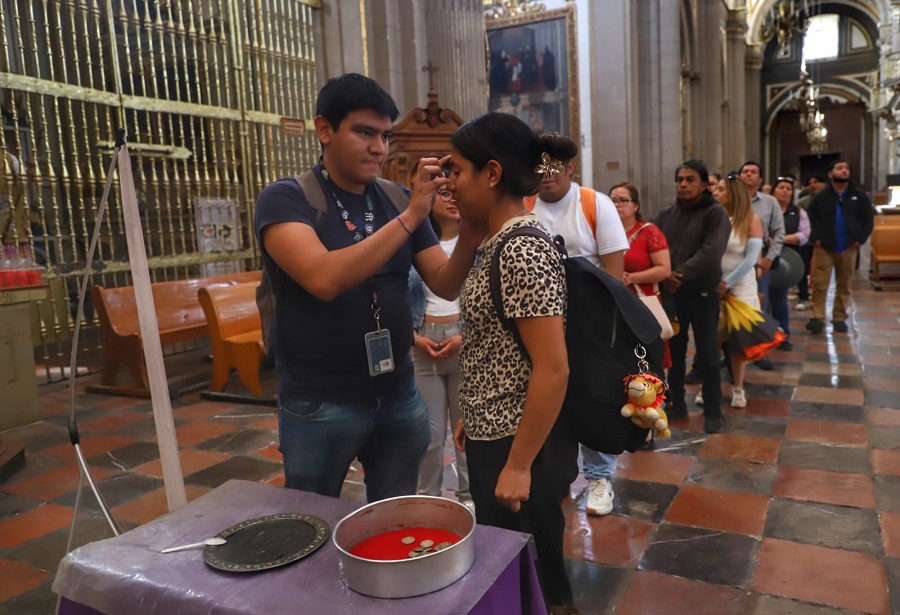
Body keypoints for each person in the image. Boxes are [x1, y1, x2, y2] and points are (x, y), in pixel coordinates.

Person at [254, 73, 481, 502]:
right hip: (320, 404)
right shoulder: (287, 199)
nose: (379, 148)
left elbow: (445, 283)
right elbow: (323, 279)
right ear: (324, 129)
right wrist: (415, 215)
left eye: (384, 135)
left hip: (398, 393)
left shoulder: (394, 198)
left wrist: (470, 226)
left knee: (394, 518)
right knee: (311, 521)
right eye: (364, 133)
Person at [448, 112, 579, 614]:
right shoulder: (494, 242)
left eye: (458, 170)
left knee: (533, 567)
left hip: (523, 442)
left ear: (493, 173)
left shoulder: (521, 247)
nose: (451, 183)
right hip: (496, 429)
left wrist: (519, 464)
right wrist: (474, 411)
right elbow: (496, 345)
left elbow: (552, 368)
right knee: (508, 562)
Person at [524, 134, 628, 517]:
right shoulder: (525, 206)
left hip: (588, 324)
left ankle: (600, 477)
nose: (546, 174)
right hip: (539, 324)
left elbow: (615, 276)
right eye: (539, 165)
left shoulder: (594, 204)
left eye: (555, 165)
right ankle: (558, 475)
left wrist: (604, 332)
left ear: (570, 167)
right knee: (548, 399)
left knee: (591, 399)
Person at [655, 160, 731, 433]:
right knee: (673, 355)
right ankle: (675, 403)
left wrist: (677, 274)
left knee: (708, 354)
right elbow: (655, 245)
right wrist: (665, 275)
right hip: (672, 295)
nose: (683, 185)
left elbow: (711, 253)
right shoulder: (666, 214)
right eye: (679, 180)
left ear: (703, 184)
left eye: (689, 180)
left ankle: (713, 409)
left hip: (702, 293)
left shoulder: (715, 213)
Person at [409, 182, 471, 510]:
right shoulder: (415, 241)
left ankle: (470, 499)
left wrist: (466, 336)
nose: (452, 199)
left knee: (469, 429)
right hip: (423, 338)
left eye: (456, 191)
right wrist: (413, 337)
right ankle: (428, 501)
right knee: (429, 434)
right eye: (443, 193)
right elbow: (393, 291)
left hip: (466, 339)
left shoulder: (477, 240)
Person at [703, 174, 763, 408]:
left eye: (721, 189)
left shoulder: (751, 219)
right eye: (715, 189)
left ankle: (738, 387)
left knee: (737, 342)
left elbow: (750, 259)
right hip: (713, 283)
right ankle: (711, 386)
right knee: (712, 340)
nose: (716, 193)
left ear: (734, 193)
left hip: (739, 286)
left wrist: (727, 282)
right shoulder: (714, 218)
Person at [805, 160, 874, 334]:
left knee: (844, 284)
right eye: (839, 168)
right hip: (824, 247)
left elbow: (867, 219)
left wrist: (860, 238)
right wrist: (816, 238)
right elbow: (810, 219)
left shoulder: (858, 196)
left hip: (848, 246)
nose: (844, 171)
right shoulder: (821, 197)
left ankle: (839, 317)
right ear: (830, 174)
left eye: (846, 168)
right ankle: (817, 317)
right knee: (820, 283)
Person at [738, 161, 785, 371]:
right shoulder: (731, 200)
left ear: (760, 179)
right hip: (735, 258)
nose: (749, 175)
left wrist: (768, 259)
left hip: (760, 259)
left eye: (753, 172)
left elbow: (778, 233)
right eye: (745, 171)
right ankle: (733, 350)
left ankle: (760, 352)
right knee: (734, 306)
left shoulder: (770, 202)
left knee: (759, 305)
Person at [769, 176, 809, 350]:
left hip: (786, 260)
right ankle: (765, 336)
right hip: (765, 258)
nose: (785, 191)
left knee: (779, 300)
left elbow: (804, 235)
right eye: (781, 187)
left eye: (788, 188)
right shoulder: (766, 210)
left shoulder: (798, 212)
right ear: (773, 191)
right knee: (764, 301)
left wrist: (780, 239)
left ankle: (783, 335)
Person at [794, 174, 826, 311]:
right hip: (807, 241)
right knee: (803, 269)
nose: (813, 185)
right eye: (810, 182)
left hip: (824, 241)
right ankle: (803, 296)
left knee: (821, 271)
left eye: (816, 182)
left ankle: (819, 300)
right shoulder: (802, 203)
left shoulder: (830, 200)